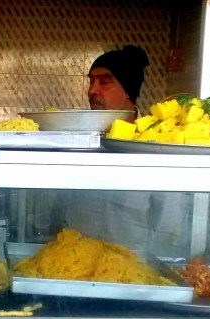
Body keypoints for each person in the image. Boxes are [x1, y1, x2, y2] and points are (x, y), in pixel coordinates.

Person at [49, 45, 186, 255]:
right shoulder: (80, 143)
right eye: (91, 81)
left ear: (128, 92)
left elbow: (169, 227)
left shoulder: (155, 147)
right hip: (73, 265)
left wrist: (152, 272)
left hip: (129, 274)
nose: (92, 90)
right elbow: (58, 209)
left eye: (105, 82)